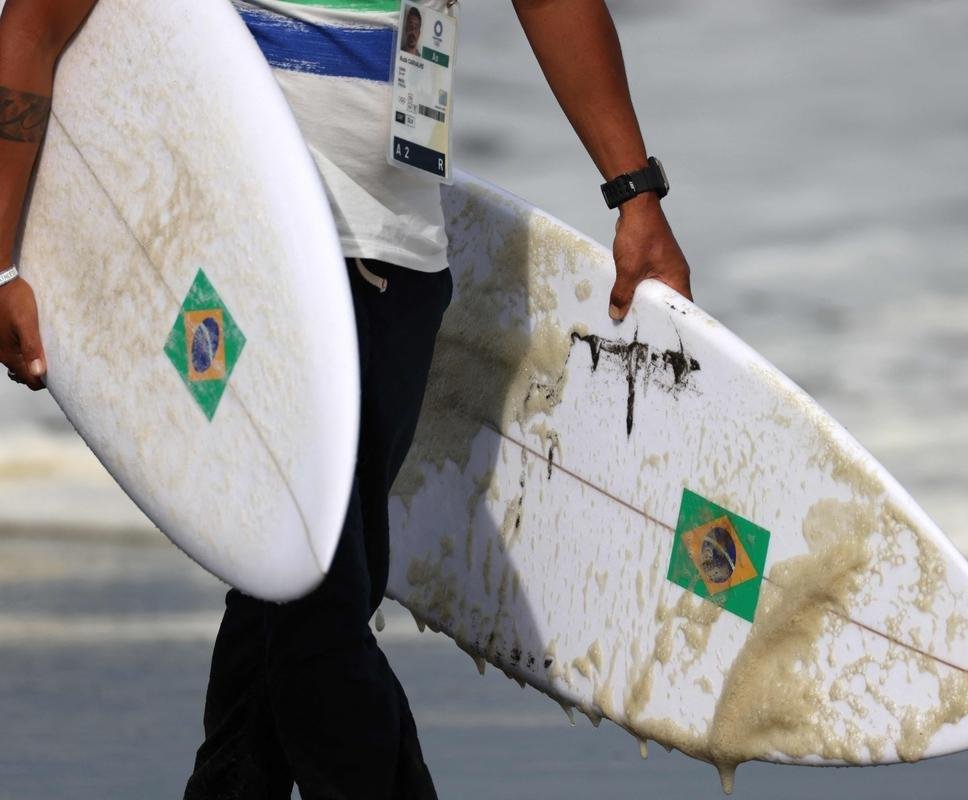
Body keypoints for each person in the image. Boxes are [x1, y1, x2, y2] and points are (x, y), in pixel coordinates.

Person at [0, 0, 692, 796]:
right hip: (231, 266)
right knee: (315, 610)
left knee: (290, 593)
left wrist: (635, 194)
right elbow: (40, 19)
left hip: (400, 265)